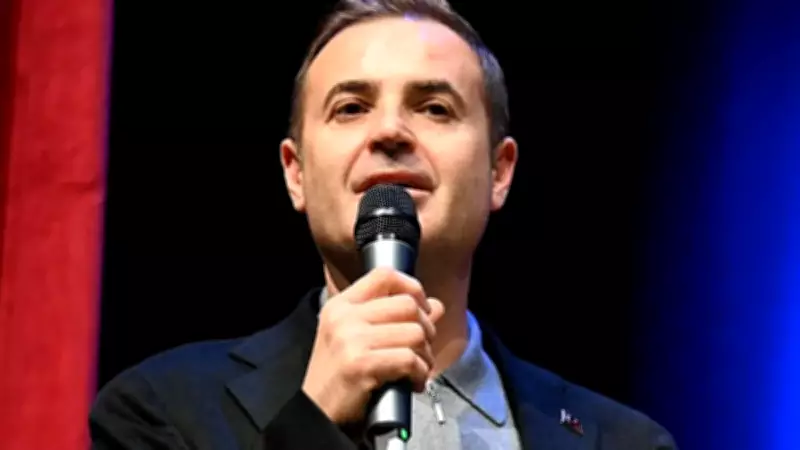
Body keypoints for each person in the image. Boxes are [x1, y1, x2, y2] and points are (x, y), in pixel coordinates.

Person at [89, 0, 678, 449]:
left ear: (499, 172)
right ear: (296, 174)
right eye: (351, 108)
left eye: (435, 108)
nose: (390, 132)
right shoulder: (163, 411)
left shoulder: (623, 442)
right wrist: (314, 419)